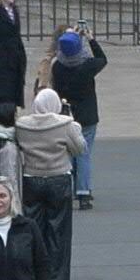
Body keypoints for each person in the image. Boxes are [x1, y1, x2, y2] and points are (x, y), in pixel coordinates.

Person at [13, 89, 83, 280]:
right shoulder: (65, 124)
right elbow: (79, 148)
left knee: (33, 231)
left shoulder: (22, 125)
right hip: (58, 178)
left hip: (31, 178)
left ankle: (32, 279)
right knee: (58, 232)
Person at [49, 28, 106, 210]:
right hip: (87, 115)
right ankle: (84, 191)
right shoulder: (86, 66)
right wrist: (90, 39)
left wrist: (71, 38)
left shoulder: (58, 66)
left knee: (70, 152)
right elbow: (102, 59)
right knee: (84, 153)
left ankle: (73, 188)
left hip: (66, 114)